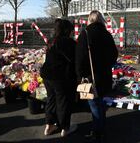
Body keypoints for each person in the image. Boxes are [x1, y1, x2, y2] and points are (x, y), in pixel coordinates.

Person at [76, 10, 118, 142]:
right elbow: (114, 55)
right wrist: (106, 66)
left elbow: (80, 57)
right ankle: (101, 128)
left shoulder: (86, 33)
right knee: (100, 103)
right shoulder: (107, 34)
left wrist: (80, 75)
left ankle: (97, 132)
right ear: (101, 20)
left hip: (90, 75)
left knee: (94, 104)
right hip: (104, 75)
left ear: (89, 19)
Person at [40, 19, 77, 137]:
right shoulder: (68, 42)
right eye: (71, 30)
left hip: (47, 75)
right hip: (60, 76)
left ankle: (49, 126)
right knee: (63, 101)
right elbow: (74, 59)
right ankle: (65, 128)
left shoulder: (51, 41)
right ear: (66, 30)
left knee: (51, 100)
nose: (72, 33)